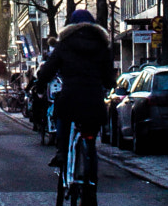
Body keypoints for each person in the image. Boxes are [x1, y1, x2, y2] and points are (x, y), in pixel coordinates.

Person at [31, 10, 115, 178]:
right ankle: (90, 188)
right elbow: (109, 78)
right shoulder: (102, 46)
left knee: (61, 115)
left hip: (71, 95)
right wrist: (106, 86)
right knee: (90, 135)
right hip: (94, 99)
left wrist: (39, 88)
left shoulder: (65, 44)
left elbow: (48, 70)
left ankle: (62, 151)